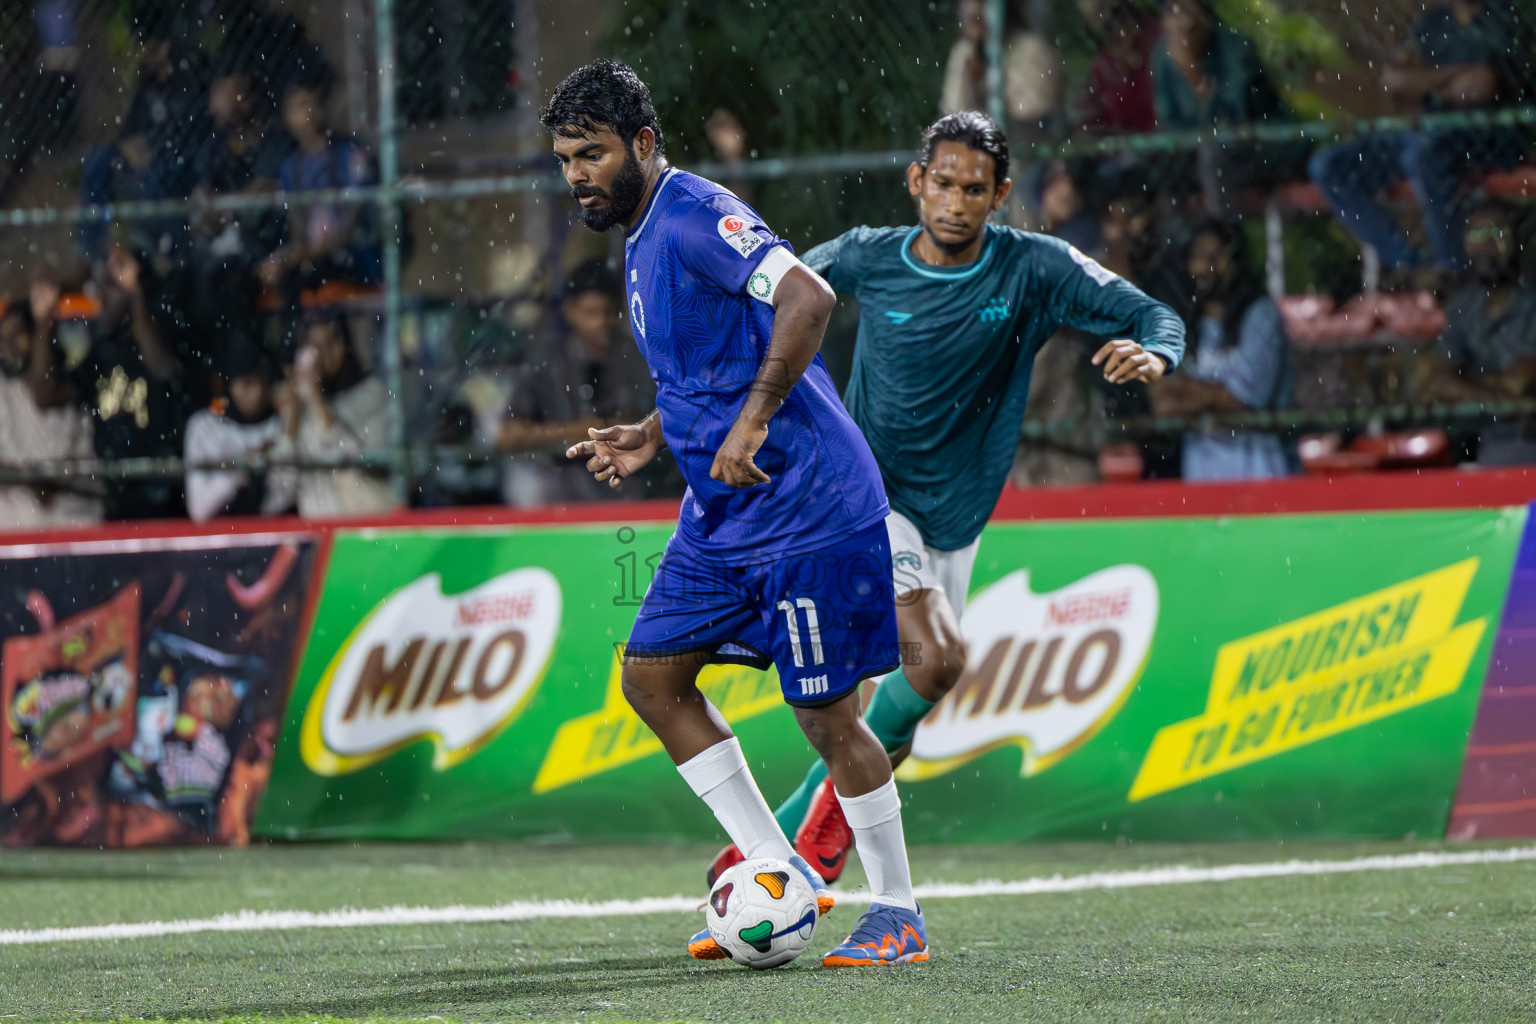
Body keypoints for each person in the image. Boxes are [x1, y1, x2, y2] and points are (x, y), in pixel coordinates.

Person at [704, 112, 1183, 891]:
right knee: (943, 656)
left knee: (904, 694)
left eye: (975, 189)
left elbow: (1152, 314)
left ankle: (785, 839)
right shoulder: (866, 256)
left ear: (998, 197)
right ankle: (808, 836)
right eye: (943, 184)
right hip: (865, 501)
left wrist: (1156, 352)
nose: (956, 202)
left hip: (955, 521)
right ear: (915, 183)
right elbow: (778, 292)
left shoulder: (1034, 267)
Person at [544, 60, 925, 967]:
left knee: (829, 719)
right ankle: (774, 868)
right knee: (652, 677)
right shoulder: (637, 235)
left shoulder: (691, 214)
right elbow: (705, 369)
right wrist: (650, 431)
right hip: (722, 517)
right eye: (563, 159)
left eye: (591, 154)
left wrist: (754, 418)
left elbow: (810, 298)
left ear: (642, 144)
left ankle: (899, 913)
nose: (576, 176)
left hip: (807, 506)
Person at [1308, 0, 1522, 273]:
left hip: (1484, 137)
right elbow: (1393, 81)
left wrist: (1424, 82)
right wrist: (1451, 79)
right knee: (1328, 166)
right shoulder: (1432, 22)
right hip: (1427, 132)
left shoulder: (1501, 17)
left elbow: (1480, 85)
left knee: (1421, 155)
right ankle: (1407, 262)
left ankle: (1451, 269)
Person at [497, 260, 656, 505]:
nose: (600, 322)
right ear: (570, 311)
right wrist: (578, 430)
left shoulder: (634, 357)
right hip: (556, 485)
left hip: (627, 484)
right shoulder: (546, 361)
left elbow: (659, 419)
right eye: (591, 313)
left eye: (608, 313)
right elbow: (507, 435)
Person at [1148, 220, 1292, 480]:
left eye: (1217, 256)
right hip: (1201, 476)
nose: (1207, 267)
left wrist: (1188, 390)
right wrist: (1218, 397)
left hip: (1260, 473)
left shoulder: (1262, 316)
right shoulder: (1183, 325)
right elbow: (1163, 403)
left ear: (1237, 261)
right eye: (1199, 258)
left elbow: (1247, 400)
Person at [1422, 201, 1536, 465]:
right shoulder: (1463, 305)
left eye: (1497, 233)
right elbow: (1437, 382)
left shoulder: (1531, 300)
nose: (1485, 245)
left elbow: (1520, 385)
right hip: (1490, 444)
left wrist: (1465, 384)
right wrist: (1492, 395)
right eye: (1475, 235)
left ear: (1517, 240)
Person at [259, 77, 381, 303]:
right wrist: (283, 258)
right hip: (314, 262)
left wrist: (304, 255)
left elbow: (351, 227)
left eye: (312, 103)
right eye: (299, 106)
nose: (309, 111)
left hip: (352, 258)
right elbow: (298, 233)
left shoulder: (350, 154)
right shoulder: (289, 169)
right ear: (286, 119)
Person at [265, 311, 398, 518]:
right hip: (319, 535)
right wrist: (291, 422)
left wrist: (317, 399)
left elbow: (355, 464)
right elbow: (281, 491)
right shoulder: (296, 404)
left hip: (367, 528)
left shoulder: (372, 394)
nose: (324, 354)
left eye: (332, 342)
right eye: (315, 346)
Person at [0, 281, 101, 528]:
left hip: (73, 529)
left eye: (18, 334)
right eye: (4, 336)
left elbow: (44, 391)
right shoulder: (4, 389)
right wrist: (24, 480)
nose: (8, 344)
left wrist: (43, 318)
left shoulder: (71, 384)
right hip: (13, 539)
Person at [184, 343, 283, 521]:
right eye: (247, 384)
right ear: (228, 386)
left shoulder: (282, 422)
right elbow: (199, 510)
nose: (257, 393)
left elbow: (284, 499)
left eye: (261, 381)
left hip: (274, 532)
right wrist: (243, 466)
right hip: (219, 536)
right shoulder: (204, 426)